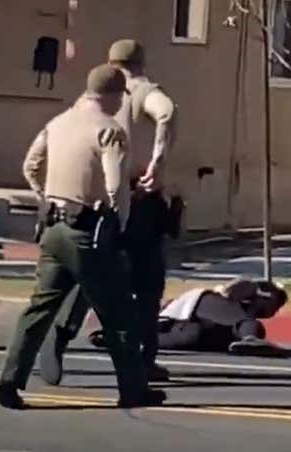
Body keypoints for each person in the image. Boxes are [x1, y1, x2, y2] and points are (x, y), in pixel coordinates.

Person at [0, 65, 166, 410]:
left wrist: (47, 196)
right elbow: (115, 185)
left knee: (39, 308)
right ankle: (134, 389)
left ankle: (8, 382)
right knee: (120, 313)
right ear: (114, 96)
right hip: (88, 231)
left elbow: (30, 165)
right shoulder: (110, 131)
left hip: (54, 227)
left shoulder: (58, 123)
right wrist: (119, 220)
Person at [40, 39, 178, 386]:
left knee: (89, 278)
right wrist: (158, 159)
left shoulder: (90, 100)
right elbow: (166, 111)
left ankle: (59, 336)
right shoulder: (142, 90)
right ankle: (144, 358)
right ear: (141, 63)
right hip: (138, 198)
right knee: (147, 283)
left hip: (95, 202)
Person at [90, 279, 287, 353]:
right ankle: (251, 340)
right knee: (249, 326)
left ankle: (119, 338)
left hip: (191, 328)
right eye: (275, 304)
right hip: (199, 305)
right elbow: (230, 291)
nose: (273, 311)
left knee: (188, 336)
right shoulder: (236, 298)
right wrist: (255, 289)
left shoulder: (243, 318)